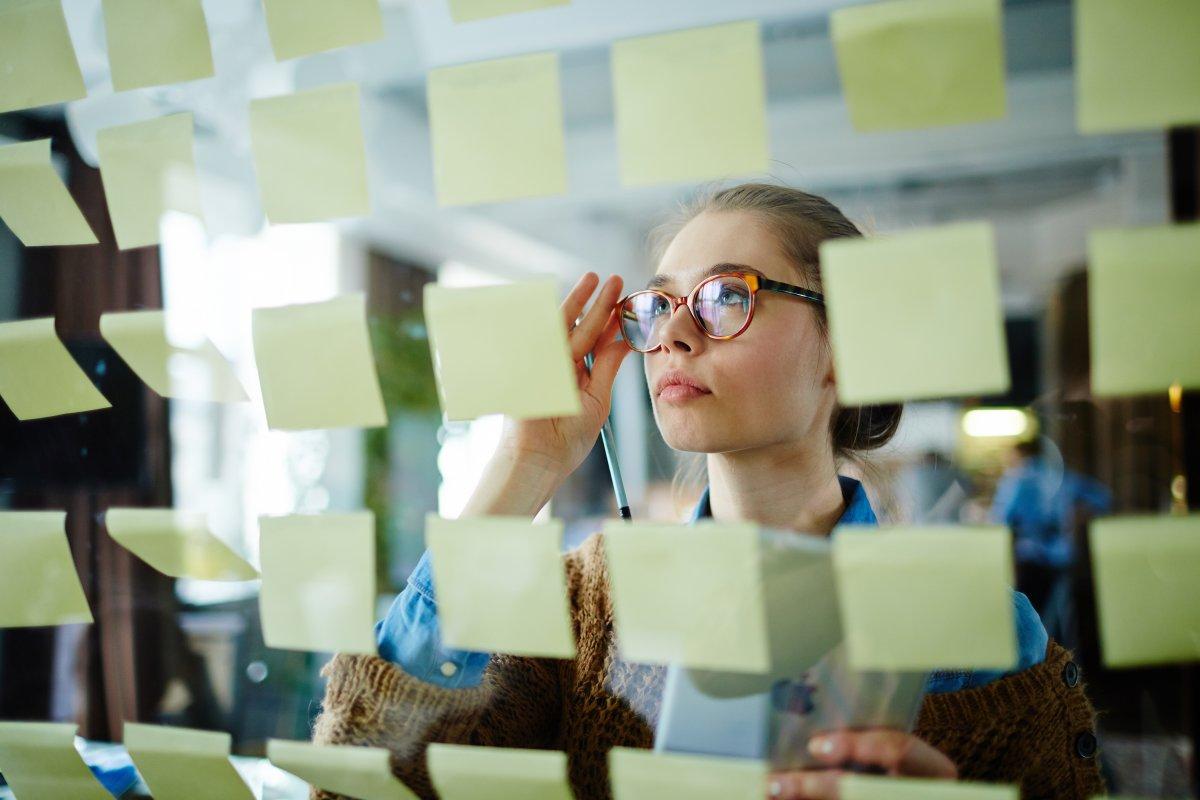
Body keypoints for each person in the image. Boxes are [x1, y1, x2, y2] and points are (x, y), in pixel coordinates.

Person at [311, 184, 1105, 800]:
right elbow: (362, 784)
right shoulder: (580, 609)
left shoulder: (975, 631)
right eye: (657, 306)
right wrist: (525, 464)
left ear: (844, 346)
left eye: (728, 295)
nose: (672, 335)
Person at [992, 437, 1112, 647]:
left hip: (1031, 558)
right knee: (1058, 615)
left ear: (1021, 455)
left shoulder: (1017, 480)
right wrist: (1073, 516)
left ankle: (1038, 667)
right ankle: (1059, 662)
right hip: (1061, 557)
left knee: (1029, 619)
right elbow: (1102, 498)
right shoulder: (1063, 476)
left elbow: (1000, 519)